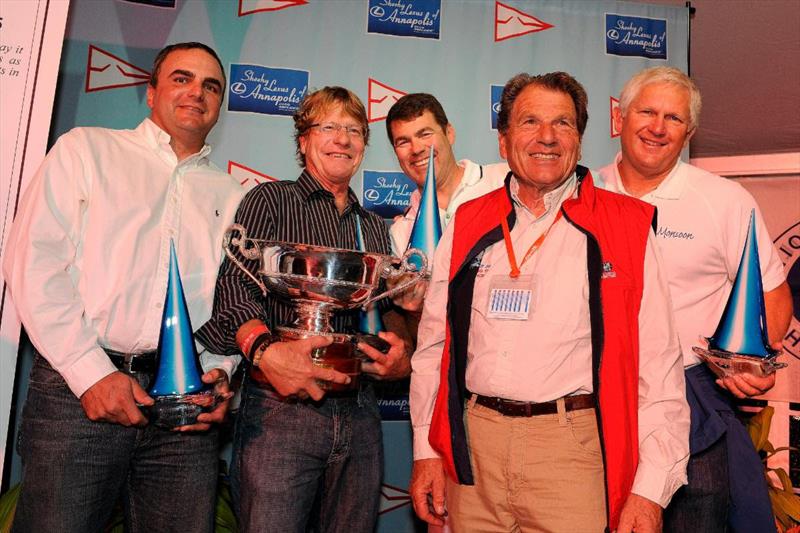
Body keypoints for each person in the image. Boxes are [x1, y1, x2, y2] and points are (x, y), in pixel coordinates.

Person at [408, 72, 691, 533]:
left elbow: (658, 369)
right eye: (529, 122)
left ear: (580, 141)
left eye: (563, 123)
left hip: (573, 454)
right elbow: (433, 347)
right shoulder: (467, 222)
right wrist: (426, 449)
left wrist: (650, 489)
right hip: (472, 451)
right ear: (503, 141)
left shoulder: (627, 227)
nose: (546, 137)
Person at [3, 42, 243, 533]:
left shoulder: (233, 195)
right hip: (79, 398)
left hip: (185, 411)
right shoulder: (86, 150)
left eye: (211, 85)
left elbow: (230, 300)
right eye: (182, 78)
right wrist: (90, 373)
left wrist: (220, 373)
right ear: (151, 92)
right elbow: (35, 264)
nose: (197, 92)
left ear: (219, 107)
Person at [195, 86, 409, 533]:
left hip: (359, 411)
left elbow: (382, 308)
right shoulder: (269, 200)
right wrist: (269, 353)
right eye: (328, 127)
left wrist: (399, 350)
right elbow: (235, 287)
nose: (342, 139)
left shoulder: (372, 227)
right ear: (303, 141)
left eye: (353, 130)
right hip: (280, 411)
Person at [595, 66, 792, 533]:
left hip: (691, 394)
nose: (657, 127)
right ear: (618, 117)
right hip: (596, 391)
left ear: (690, 133)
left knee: (696, 521)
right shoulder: (584, 191)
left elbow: (774, 295)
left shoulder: (724, 200)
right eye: (646, 111)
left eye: (674, 118)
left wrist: (749, 359)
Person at [383, 93, 508, 342]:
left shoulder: (506, 180)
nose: (417, 149)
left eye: (425, 134)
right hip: (450, 365)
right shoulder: (400, 233)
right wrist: (415, 310)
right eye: (403, 141)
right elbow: (422, 333)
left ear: (449, 133)